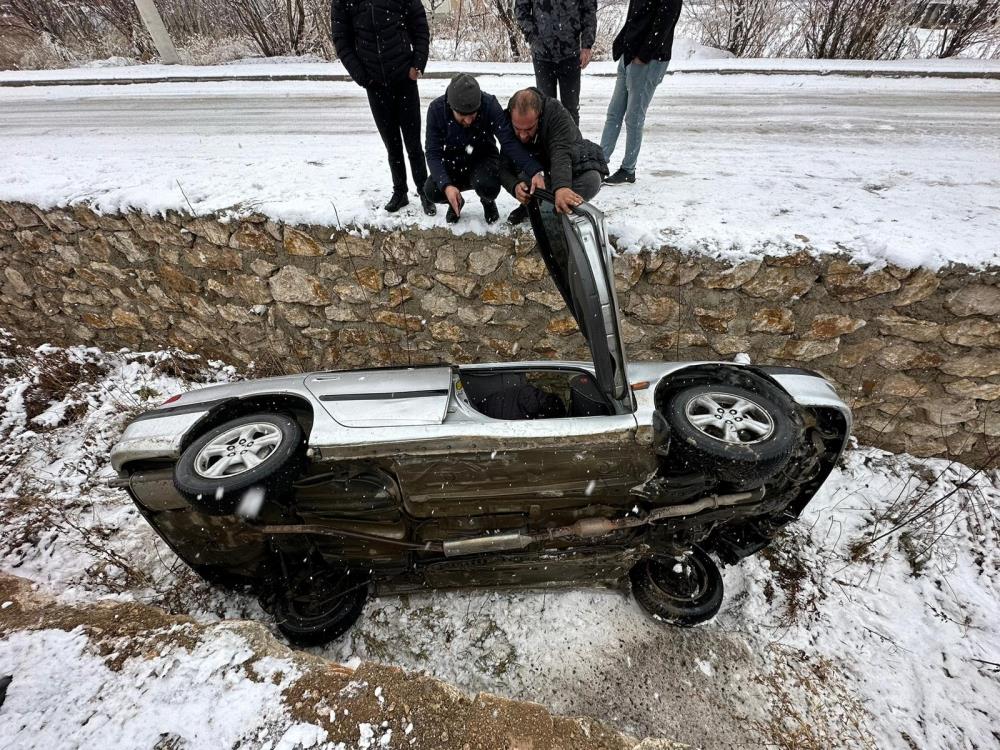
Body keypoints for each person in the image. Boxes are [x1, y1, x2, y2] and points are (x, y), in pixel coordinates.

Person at [331, 0, 436, 215]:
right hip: (374, 83)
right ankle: (400, 192)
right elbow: (342, 42)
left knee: (413, 143)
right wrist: (362, 77)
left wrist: (417, 63)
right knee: (392, 144)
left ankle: (424, 191)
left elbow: (419, 25)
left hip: (404, 79)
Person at [424, 74, 546, 225]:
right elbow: (432, 153)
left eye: (473, 114)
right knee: (432, 190)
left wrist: (534, 170)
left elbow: (509, 142)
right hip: (453, 160)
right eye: (462, 115)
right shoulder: (436, 110)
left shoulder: (489, 104)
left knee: (489, 187)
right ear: (450, 106)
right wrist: (447, 185)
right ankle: (454, 200)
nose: (469, 120)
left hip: (483, 157)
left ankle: (487, 201)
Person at [599, 0, 684, 185]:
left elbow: (665, 22)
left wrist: (643, 55)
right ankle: (599, 164)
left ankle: (628, 169)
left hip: (648, 60)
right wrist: (621, 44)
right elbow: (633, 16)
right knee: (614, 113)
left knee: (634, 117)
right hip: (628, 55)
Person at [500, 87, 608, 225]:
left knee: (591, 180)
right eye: (517, 129)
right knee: (522, 180)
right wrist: (514, 186)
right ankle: (533, 206)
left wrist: (562, 187)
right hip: (538, 172)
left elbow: (560, 152)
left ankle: (560, 205)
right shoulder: (507, 120)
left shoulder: (556, 113)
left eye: (528, 129)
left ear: (539, 116)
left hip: (569, 163)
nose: (522, 136)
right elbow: (503, 166)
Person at [515, 0, 597, 126]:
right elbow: (521, 10)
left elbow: (589, 9)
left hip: (570, 53)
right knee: (545, 110)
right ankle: (548, 145)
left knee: (570, 111)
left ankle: (570, 145)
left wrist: (587, 45)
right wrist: (533, 35)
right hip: (542, 56)